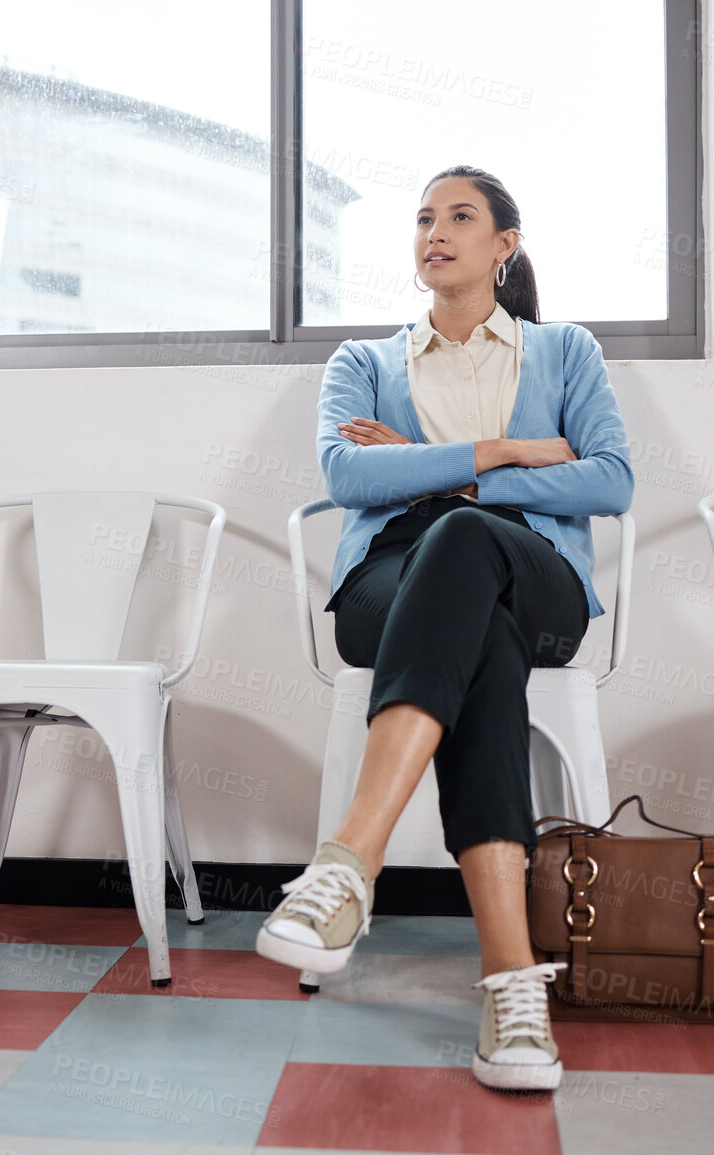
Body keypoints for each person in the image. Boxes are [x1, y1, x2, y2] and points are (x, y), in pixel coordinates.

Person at [254, 165, 633, 1093]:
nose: (436, 230)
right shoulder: (364, 362)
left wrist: (451, 481)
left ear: (504, 244)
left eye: (460, 216)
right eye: (424, 217)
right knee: (481, 645)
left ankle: (347, 866)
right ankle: (512, 987)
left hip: (532, 576)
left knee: (469, 540)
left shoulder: (565, 350)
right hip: (389, 584)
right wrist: (505, 449)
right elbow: (347, 480)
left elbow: (610, 480)